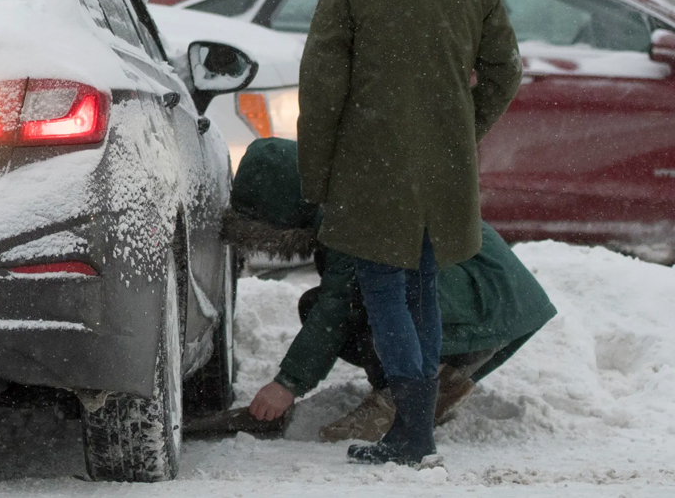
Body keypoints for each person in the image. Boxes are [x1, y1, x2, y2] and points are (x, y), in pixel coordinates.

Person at [286, 0, 523, 465]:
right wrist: (461, 132)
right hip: (442, 169)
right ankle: (418, 429)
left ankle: (412, 432)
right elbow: (504, 72)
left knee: (384, 287)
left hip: (371, 167)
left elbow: (320, 89)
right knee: (422, 289)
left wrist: (318, 174)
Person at [232, 138, 555, 442]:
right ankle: (438, 385)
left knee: (370, 297)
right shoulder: (346, 188)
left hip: (489, 300)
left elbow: (339, 303)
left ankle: (396, 400)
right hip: (496, 301)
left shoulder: (349, 210)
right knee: (334, 300)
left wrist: (287, 384)